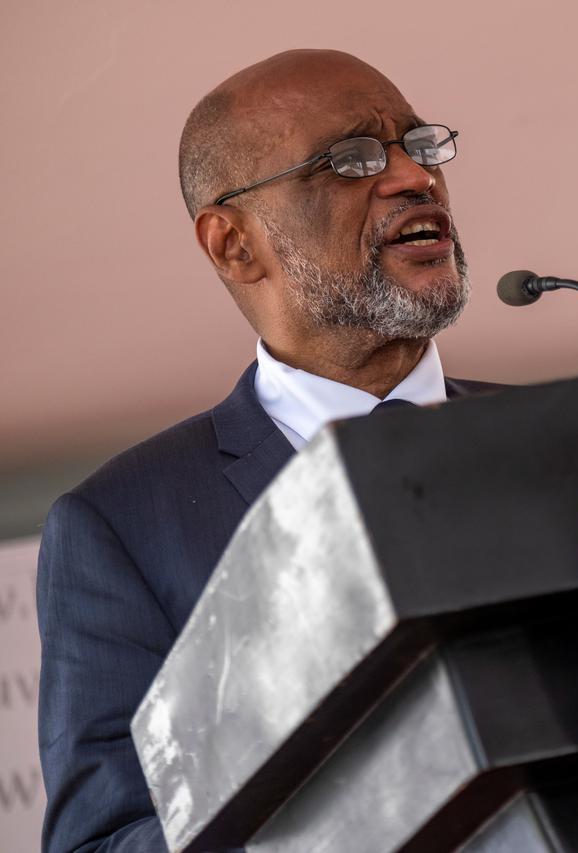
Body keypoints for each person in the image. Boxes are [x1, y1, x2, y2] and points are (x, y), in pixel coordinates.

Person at [36, 49, 497, 852]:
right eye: (350, 159)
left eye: (419, 145)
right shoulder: (123, 528)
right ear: (234, 245)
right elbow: (100, 840)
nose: (413, 176)